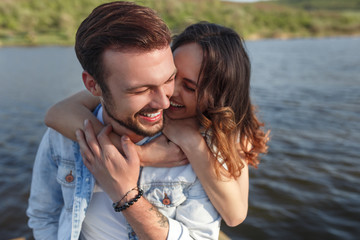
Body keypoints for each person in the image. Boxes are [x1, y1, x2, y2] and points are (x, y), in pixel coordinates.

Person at [45, 12, 270, 234]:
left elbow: (235, 214)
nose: (167, 95)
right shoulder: (132, 89)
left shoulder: (223, 131)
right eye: (171, 77)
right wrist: (138, 153)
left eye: (190, 87)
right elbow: (58, 113)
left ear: (218, 97)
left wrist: (191, 142)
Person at [27, 2, 222, 239]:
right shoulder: (62, 136)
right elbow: (43, 216)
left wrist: (128, 196)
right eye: (140, 90)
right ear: (92, 85)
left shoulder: (194, 149)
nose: (164, 103)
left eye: (169, 79)